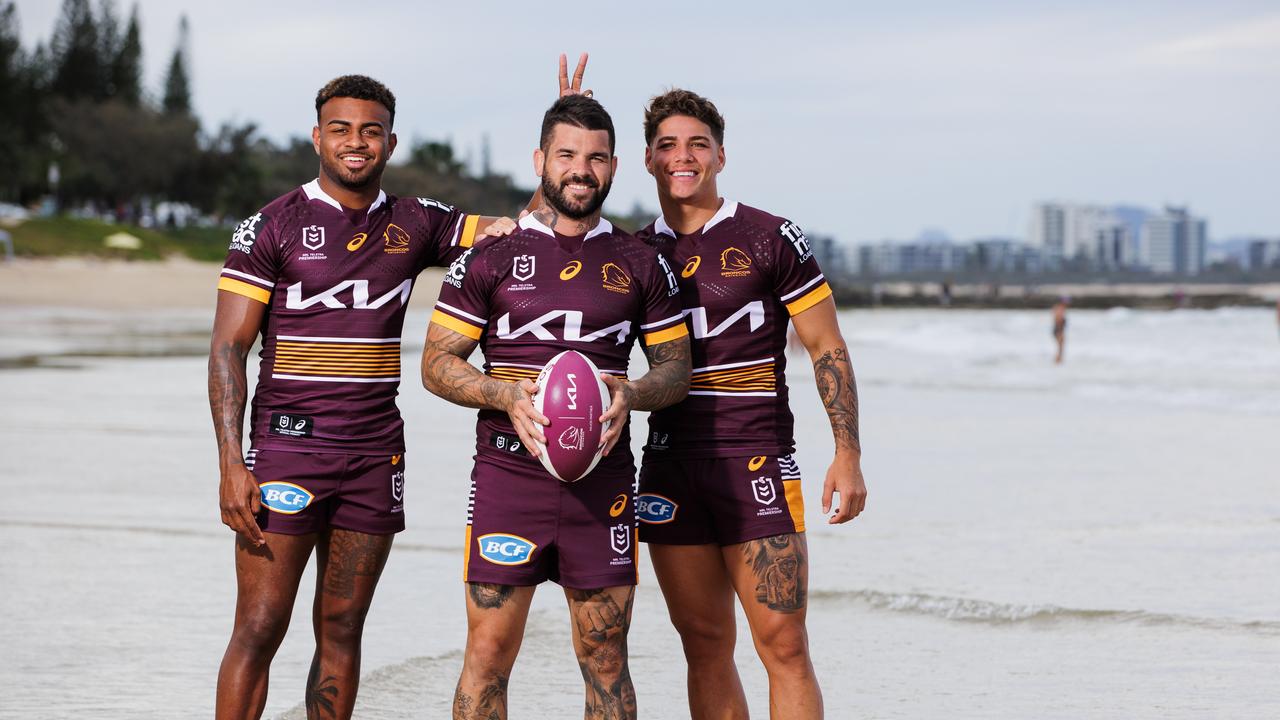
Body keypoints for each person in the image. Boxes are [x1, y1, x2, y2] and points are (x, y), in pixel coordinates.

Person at [208, 74, 516, 720]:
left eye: (371, 132)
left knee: (343, 629)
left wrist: (570, 123)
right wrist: (232, 463)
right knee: (260, 626)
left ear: (391, 142)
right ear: (317, 137)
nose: (356, 143)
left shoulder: (419, 223)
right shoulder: (270, 226)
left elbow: (515, 230)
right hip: (287, 453)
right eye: (342, 130)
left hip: (375, 457)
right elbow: (228, 351)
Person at [420, 94, 691, 720]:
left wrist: (634, 392)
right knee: (488, 652)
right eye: (567, 155)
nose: (581, 170)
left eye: (596, 159)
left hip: (605, 484)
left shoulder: (641, 261)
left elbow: (677, 369)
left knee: (605, 658)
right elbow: (436, 364)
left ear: (615, 167)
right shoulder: (486, 257)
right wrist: (505, 395)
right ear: (541, 160)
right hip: (507, 476)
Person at [629, 88, 868, 720]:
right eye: (668, 146)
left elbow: (826, 347)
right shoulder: (630, 254)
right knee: (704, 645)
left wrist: (848, 454)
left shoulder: (770, 237)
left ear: (721, 156)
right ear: (648, 160)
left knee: (784, 645)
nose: (684, 157)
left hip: (756, 460)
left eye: (698, 144)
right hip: (670, 465)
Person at [1052, 296, 1069, 364]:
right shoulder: (1060, 308)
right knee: (1060, 347)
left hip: (1058, 329)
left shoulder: (1058, 308)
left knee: (1060, 347)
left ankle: (1058, 360)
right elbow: (1058, 319)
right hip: (1059, 329)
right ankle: (1058, 361)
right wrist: (1060, 330)